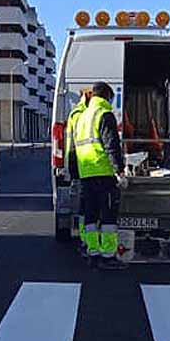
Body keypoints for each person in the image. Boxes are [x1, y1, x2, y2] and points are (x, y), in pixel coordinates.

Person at [73, 82, 128, 269]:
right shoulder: (104, 114)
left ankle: (93, 252)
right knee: (108, 217)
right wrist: (119, 171)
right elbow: (111, 145)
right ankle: (108, 256)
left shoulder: (82, 117)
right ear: (107, 96)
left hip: (86, 173)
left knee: (90, 215)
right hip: (103, 173)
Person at [65, 89, 92, 247]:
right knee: (87, 206)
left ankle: (85, 238)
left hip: (80, 163)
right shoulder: (82, 114)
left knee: (84, 205)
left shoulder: (77, 113)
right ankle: (86, 238)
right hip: (85, 164)